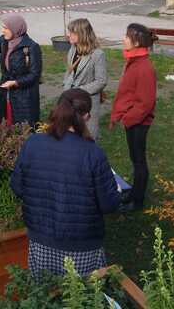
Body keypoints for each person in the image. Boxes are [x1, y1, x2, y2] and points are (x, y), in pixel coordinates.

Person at [10, 88, 120, 278]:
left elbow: (17, 187)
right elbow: (109, 204)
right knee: (82, 298)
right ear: (86, 116)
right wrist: (115, 190)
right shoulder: (93, 153)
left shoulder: (33, 143)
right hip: (82, 246)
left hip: (40, 240)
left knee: (44, 297)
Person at [109, 23, 157, 212]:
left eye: (126, 36)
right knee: (135, 159)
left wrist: (128, 119)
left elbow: (145, 103)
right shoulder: (134, 61)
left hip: (138, 122)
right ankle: (134, 193)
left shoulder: (144, 66)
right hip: (133, 120)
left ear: (136, 42)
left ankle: (137, 200)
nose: (123, 39)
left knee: (139, 161)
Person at [64, 18, 108, 139]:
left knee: (87, 137)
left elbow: (101, 81)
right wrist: (66, 88)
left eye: (72, 33)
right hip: (70, 100)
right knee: (71, 135)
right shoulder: (73, 49)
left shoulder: (98, 54)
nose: (69, 35)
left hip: (87, 103)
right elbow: (69, 72)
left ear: (82, 34)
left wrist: (79, 91)